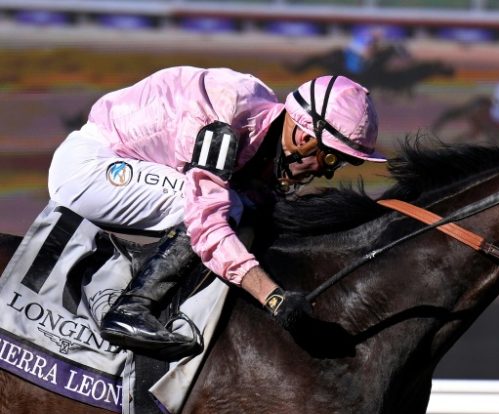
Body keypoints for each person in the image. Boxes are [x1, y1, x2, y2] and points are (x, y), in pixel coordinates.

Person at [47, 67, 386, 361]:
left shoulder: (262, 124)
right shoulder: (226, 115)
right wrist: (273, 297)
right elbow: (206, 222)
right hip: (90, 167)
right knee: (218, 207)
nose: (328, 172)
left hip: (125, 162)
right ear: (302, 135)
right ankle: (130, 310)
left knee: (250, 207)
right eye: (331, 159)